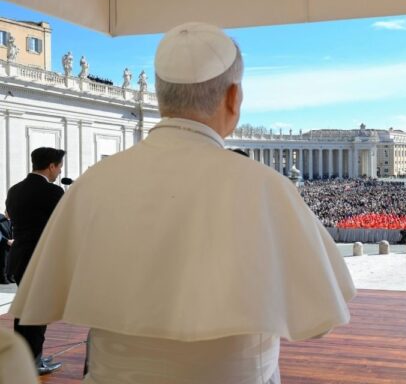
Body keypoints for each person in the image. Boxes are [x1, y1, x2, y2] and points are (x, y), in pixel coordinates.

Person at [10, 22, 355, 384]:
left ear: (160, 99)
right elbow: (319, 323)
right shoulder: (266, 187)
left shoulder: (93, 182)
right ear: (233, 97)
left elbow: (52, 296)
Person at [5, 147, 66, 375]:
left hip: (19, 257)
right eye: (59, 166)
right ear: (51, 165)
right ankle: (34, 361)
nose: (59, 171)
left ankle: (23, 357)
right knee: (38, 311)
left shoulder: (15, 190)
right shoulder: (52, 192)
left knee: (23, 310)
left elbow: (10, 216)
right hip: (40, 258)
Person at [0, 212, 12, 284]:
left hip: (10, 242)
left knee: (10, 258)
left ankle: (9, 276)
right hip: (3, 243)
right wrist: (6, 241)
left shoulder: (10, 219)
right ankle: (3, 277)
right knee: (3, 259)